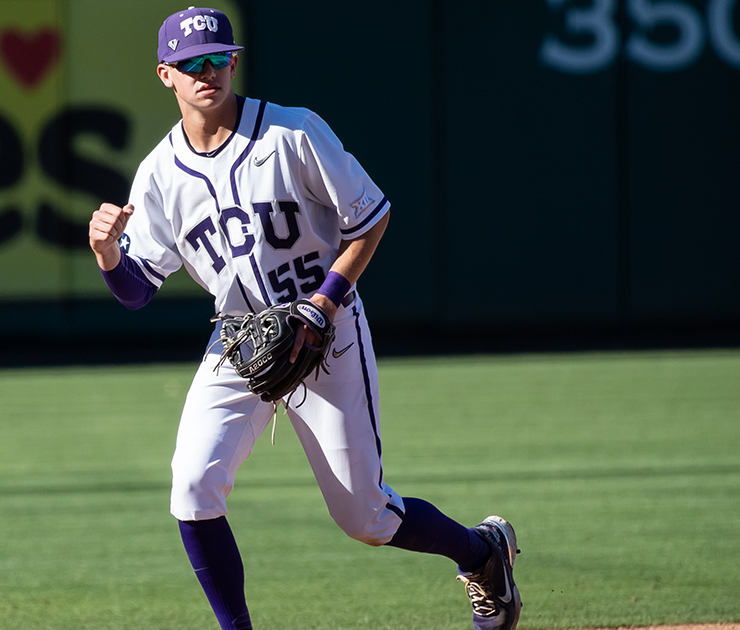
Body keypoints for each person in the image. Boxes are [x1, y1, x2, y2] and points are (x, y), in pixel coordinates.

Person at [87, 7, 521, 630]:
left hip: (327, 328)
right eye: (191, 63)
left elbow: (370, 218)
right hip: (238, 341)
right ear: (166, 75)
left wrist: (325, 302)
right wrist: (107, 256)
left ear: (233, 62)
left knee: (365, 517)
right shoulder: (158, 174)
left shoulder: (291, 133)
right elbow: (137, 291)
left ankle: (482, 554)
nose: (207, 71)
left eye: (217, 58)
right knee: (191, 488)